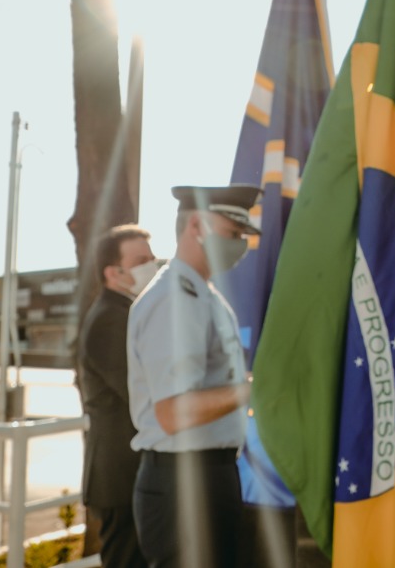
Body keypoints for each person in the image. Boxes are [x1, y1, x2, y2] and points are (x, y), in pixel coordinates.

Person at [127, 184, 260, 568]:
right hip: (184, 486)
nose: (239, 244)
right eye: (233, 234)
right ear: (197, 225)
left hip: (206, 477)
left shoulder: (204, 295)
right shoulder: (175, 299)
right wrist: (250, 390)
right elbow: (172, 413)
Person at [77, 224, 158, 568]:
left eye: (152, 258)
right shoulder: (111, 319)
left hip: (133, 473)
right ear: (114, 272)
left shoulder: (129, 313)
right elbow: (143, 392)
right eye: (142, 260)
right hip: (121, 476)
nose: (152, 265)